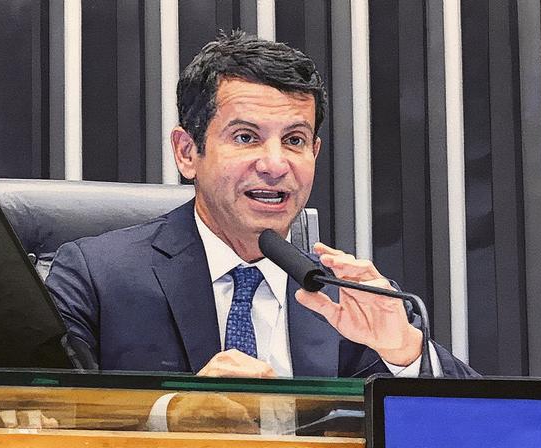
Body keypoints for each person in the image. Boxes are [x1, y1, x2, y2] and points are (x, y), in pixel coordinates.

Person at [46, 31, 476, 379]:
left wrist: (405, 351)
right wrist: (172, 415)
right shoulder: (97, 277)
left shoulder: (344, 300)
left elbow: (491, 429)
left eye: (294, 141)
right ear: (187, 152)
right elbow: (36, 420)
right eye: (245, 137)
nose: (275, 165)